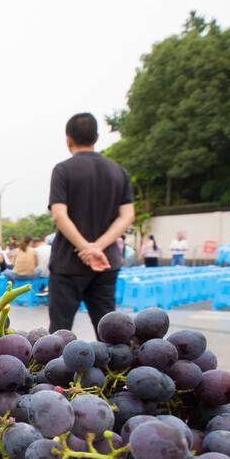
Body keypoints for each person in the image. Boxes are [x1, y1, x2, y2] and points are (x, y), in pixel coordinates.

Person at [47, 112, 135, 334]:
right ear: (96, 137)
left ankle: (56, 370)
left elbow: (59, 214)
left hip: (68, 262)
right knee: (109, 332)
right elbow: (127, 215)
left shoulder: (63, 170)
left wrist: (86, 248)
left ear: (68, 139)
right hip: (106, 262)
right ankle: (112, 369)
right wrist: (98, 247)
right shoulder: (119, 172)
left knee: (59, 333)